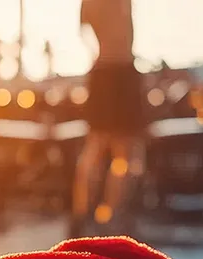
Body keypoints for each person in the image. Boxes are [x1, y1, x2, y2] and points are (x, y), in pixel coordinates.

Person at [70, 0, 147, 237]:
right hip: (110, 72)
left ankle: (106, 215)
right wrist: (102, 54)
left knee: (121, 152)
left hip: (119, 71)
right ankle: (85, 215)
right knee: (100, 146)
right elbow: (85, 29)